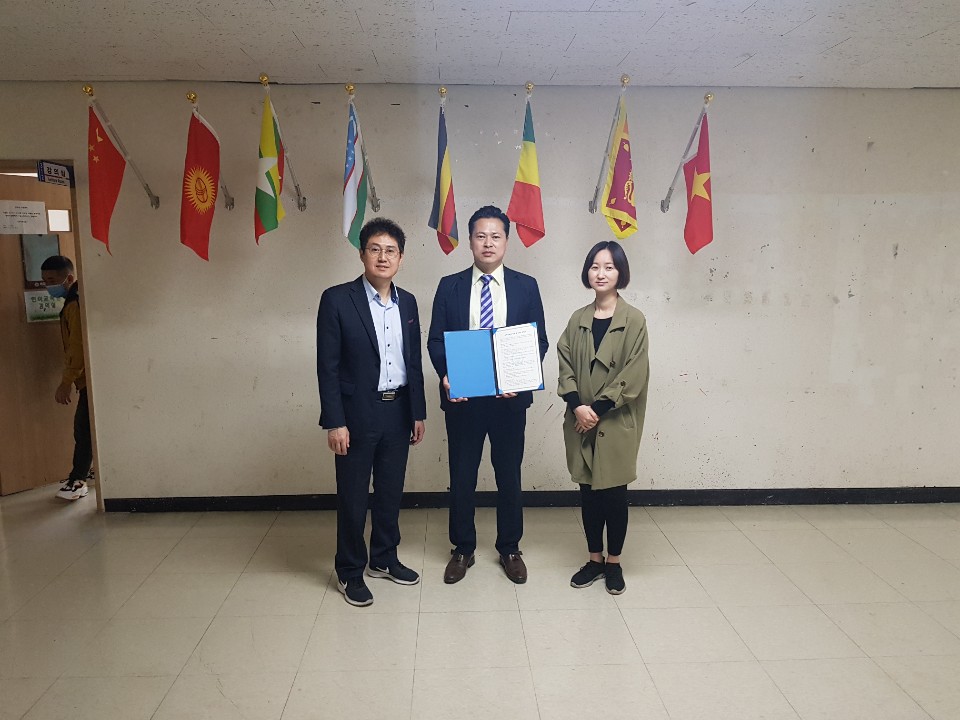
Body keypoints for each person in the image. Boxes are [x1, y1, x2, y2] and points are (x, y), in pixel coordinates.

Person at [428, 205, 548, 584]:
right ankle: (463, 548)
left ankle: (510, 547)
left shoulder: (526, 286)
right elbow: (436, 341)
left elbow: (539, 341)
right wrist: (447, 375)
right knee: (462, 476)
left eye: (496, 236)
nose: (488, 243)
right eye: (480, 236)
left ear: (507, 242)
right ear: (470, 241)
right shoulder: (449, 285)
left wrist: (521, 378)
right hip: (463, 400)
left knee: (509, 475)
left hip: (509, 403)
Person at [317, 218, 427, 607]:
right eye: (375, 249)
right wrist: (335, 421)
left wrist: (417, 412)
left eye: (391, 250)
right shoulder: (337, 299)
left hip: (398, 411)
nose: (383, 257)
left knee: (390, 493)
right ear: (362, 254)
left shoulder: (407, 302)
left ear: (401, 257)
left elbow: (412, 361)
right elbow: (327, 367)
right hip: (356, 415)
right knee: (352, 497)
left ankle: (383, 558)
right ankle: (350, 570)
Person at [556, 241, 649, 595]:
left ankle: (614, 562)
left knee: (614, 495)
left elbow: (633, 374)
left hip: (614, 422)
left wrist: (595, 410)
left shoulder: (634, 320)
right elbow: (565, 366)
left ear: (620, 273)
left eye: (609, 267)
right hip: (580, 421)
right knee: (588, 493)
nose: (601, 273)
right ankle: (594, 559)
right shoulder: (577, 319)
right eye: (595, 266)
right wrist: (577, 406)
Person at [41, 255, 92, 501]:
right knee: (86, 428)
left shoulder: (75, 303)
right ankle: (87, 473)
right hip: (87, 378)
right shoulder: (77, 297)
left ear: (69, 278)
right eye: (45, 281)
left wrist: (66, 381)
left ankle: (78, 480)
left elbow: (78, 346)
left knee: (83, 429)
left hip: (88, 378)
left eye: (52, 281)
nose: (48, 286)